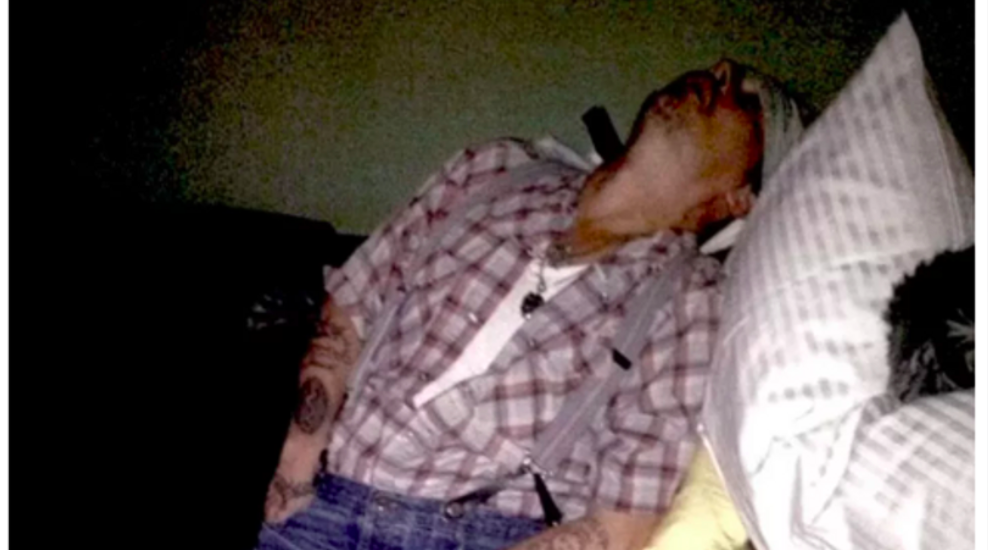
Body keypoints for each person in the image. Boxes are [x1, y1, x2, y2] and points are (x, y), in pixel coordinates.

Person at [256, 59, 804, 550]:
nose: (721, 70)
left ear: (740, 197)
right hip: (317, 503)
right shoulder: (494, 169)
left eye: (747, 97)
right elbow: (355, 304)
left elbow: (622, 524)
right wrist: (295, 462)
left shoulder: (694, 301)